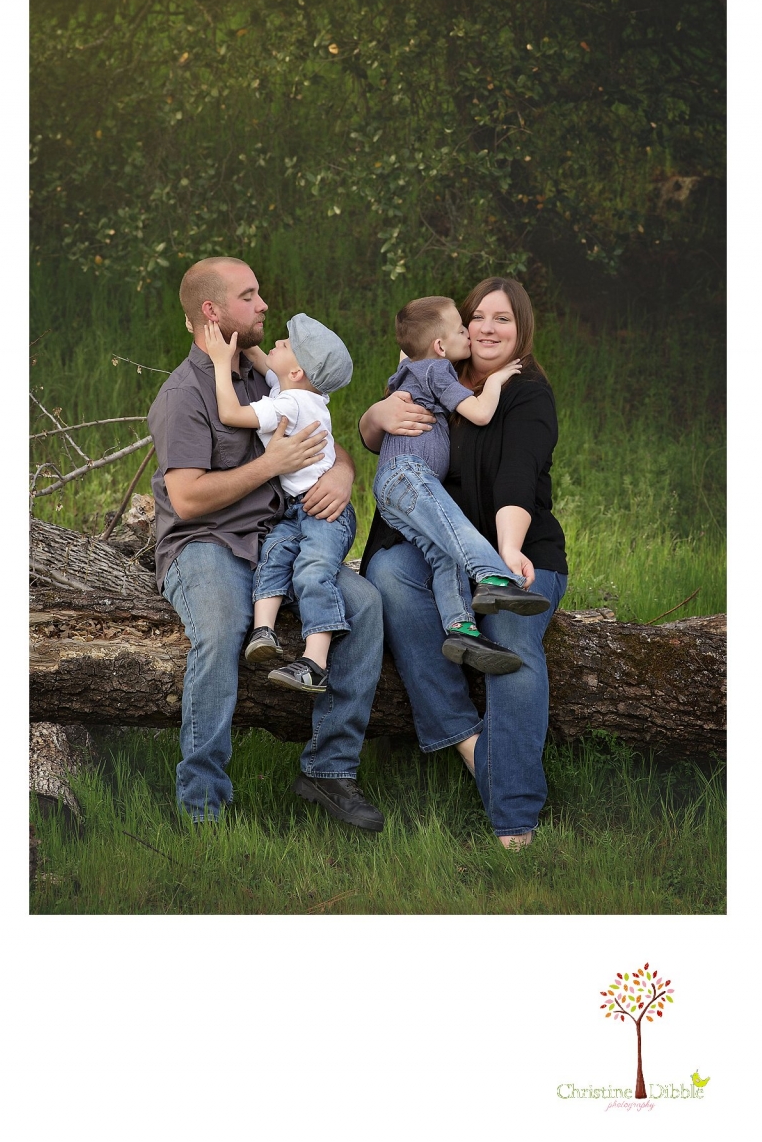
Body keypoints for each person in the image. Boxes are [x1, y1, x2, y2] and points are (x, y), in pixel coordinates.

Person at [147, 256, 384, 830]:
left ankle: (328, 770)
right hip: (207, 542)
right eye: (250, 297)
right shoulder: (185, 395)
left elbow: (321, 439)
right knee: (223, 625)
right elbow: (188, 499)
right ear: (213, 310)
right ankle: (203, 803)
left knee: (366, 607)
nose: (263, 306)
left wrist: (343, 474)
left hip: (281, 534)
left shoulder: (264, 375)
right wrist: (270, 464)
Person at [359, 277, 568, 849]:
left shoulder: (526, 393)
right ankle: (469, 744)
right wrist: (375, 416)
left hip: (514, 547)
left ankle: (515, 817)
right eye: (478, 317)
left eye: (502, 319)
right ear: (459, 329)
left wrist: (506, 551)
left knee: (510, 638)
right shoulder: (441, 378)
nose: (487, 328)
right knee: (388, 580)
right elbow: (378, 437)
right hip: (437, 547)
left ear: (522, 328)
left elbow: (517, 476)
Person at [373, 294, 551, 676]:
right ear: (439, 347)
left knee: (443, 555)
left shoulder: (412, 367)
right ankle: (493, 576)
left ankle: (461, 629)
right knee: (454, 526)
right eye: (462, 329)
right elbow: (481, 413)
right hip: (409, 474)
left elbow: (407, 354)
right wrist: (499, 380)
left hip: (398, 483)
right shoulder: (438, 371)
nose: (470, 335)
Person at [204, 312, 356, 694]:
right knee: (274, 553)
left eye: (285, 345)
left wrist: (222, 363)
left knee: (311, 572)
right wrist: (242, 339)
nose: (276, 344)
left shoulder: (290, 404)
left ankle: (315, 663)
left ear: (297, 373)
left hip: (322, 513)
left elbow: (230, 413)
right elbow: (267, 364)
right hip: (298, 509)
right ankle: (263, 632)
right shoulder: (304, 393)